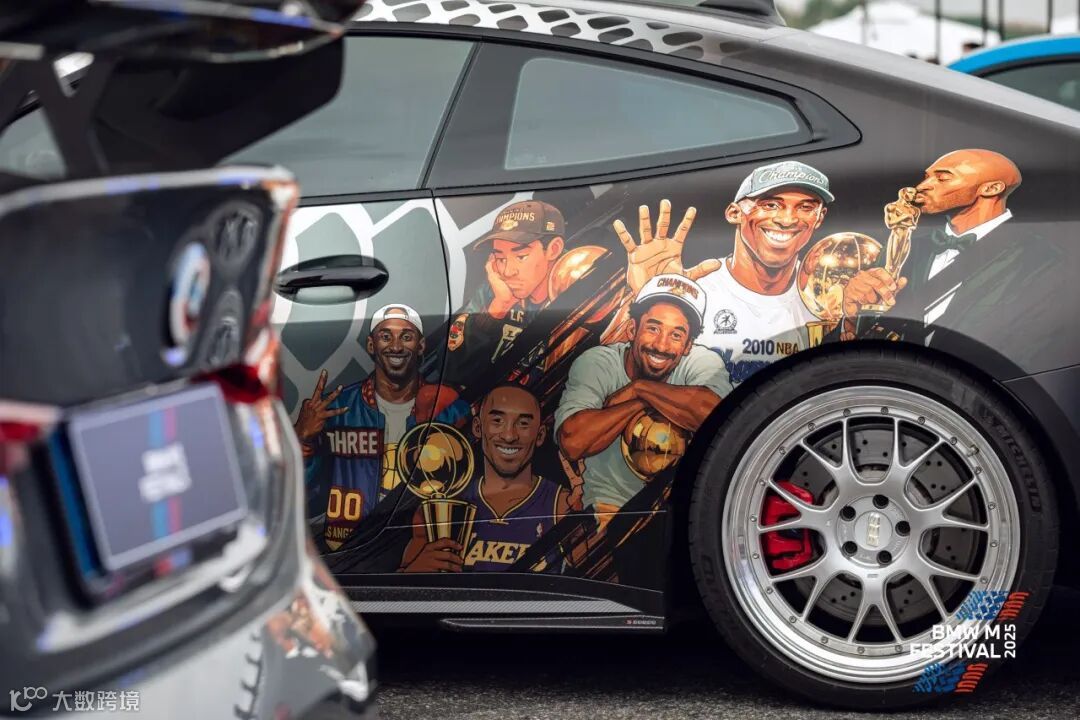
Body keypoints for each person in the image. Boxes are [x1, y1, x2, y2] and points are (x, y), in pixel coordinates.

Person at [295, 304, 470, 550]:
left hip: (417, 552)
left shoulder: (449, 409)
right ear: (371, 345)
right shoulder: (336, 410)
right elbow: (306, 501)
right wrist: (302, 441)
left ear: (421, 346)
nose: (396, 346)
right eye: (386, 336)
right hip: (349, 551)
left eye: (406, 337)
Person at [555, 274, 731, 517]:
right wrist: (640, 402)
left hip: (681, 510)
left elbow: (719, 419)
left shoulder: (702, 362)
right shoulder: (599, 362)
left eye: (676, 335)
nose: (661, 345)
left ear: (688, 345)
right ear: (632, 329)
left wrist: (639, 389)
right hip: (607, 510)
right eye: (653, 328)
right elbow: (573, 443)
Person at [843, 148, 1029, 346]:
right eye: (927, 177)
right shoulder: (909, 246)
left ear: (991, 189)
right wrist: (852, 317)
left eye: (942, 178)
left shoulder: (1037, 255)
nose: (921, 187)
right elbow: (864, 337)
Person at [399, 384, 580, 572]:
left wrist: (591, 513)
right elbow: (399, 583)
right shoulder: (443, 507)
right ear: (478, 427)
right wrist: (413, 571)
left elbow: (591, 571)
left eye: (523, 424)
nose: (509, 436)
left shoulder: (562, 505)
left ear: (540, 435)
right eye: (497, 421)